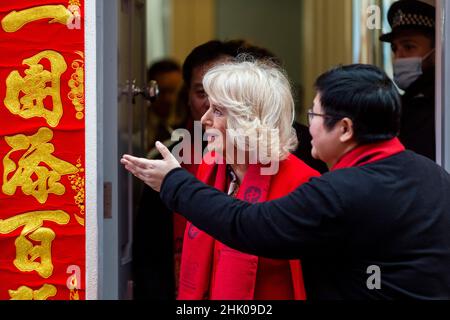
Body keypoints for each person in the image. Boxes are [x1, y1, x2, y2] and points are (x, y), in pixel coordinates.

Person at [122, 64, 450, 299]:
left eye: (315, 115)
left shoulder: (325, 187)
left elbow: (248, 226)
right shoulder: (434, 175)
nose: (204, 120)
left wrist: (173, 182)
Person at [180, 58, 319, 300]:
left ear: (250, 120)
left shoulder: (303, 182)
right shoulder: (209, 166)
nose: (205, 120)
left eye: (219, 111)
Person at [380, 0, 436, 161]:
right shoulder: (403, 102)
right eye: (395, 48)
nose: (399, 56)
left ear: (435, 51)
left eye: (409, 47)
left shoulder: (438, 102)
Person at [146, 59, 183, 152]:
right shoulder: (137, 126)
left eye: (173, 91)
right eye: (162, 91)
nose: (168, 98)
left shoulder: (188, 124)